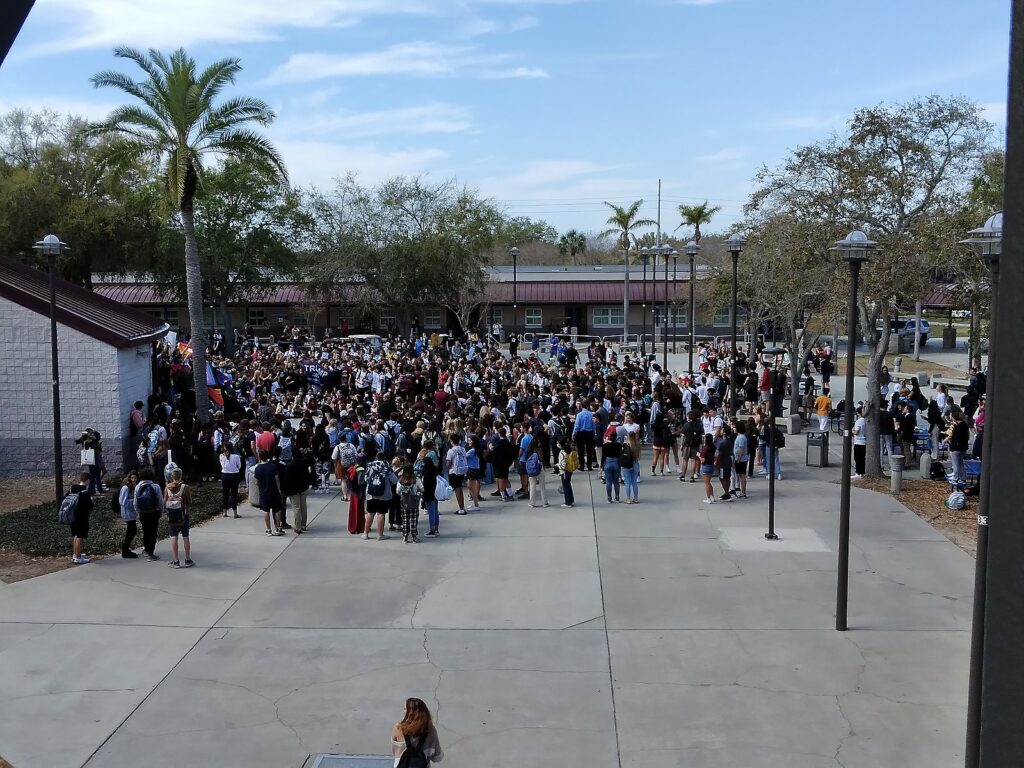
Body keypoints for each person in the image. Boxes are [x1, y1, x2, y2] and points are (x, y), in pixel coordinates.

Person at [391, 697, 444, 766]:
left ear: (409, 713)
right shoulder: (431, 730)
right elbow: (437, 758)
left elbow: (394, 751)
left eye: (404, 709)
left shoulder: (398, 728)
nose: (403, 711)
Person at [364, 447, 399, 540]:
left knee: (370, 513)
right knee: (381, 514)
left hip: (371, 493)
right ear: (384, 458)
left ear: (376, 458)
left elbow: (365, 479)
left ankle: (365, 534)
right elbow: (395, 480)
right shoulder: (387, 467)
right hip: (384, 494)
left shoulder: (370, 465)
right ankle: (380, 535)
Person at [163, 467, 193, 569]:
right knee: (185, 537)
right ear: (181, 476)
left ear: (172, 476)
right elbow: (189, 502)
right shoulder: (185, 487)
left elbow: (164, 502)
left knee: (173, 537)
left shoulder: (167, 488)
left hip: (172, 516)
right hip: (184, 515)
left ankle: (176, 561)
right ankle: (188, 560)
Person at [133, 468, 163, 560]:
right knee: (153, 532)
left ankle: (146, 549)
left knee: (145, 531)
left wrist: (138, 512)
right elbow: (160, 501)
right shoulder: (155, 486)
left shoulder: (138, 486)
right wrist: (161, 511)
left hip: (143, 513)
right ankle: (151, 553)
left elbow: (135, 502)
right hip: (153, 512)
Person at [282, 448, 313, 534]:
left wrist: (285, 490)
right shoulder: (304, 463)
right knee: (303, 506)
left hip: (293, 489)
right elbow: (311, 465)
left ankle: (298, 526)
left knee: (296, 508)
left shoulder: (289, 466)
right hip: (303, 487)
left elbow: (286, 479)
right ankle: (303, 525)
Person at [254, 452, 286, 536]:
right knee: (277, 510)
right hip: (274, 491)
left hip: (264, 492)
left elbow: (257, 482)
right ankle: (278, 528)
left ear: (260, 457)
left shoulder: (257, 468)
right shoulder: (273, 466)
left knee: (266, 510)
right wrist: (279, 490)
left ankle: (268, 529)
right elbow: (277, 479)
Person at [68, 471, 94, 564]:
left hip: (72, 516)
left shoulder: (72, 488)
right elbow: (90, 506)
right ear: (87, 481)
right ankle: (78, 558)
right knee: (80, 536)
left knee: (75, 535)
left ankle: (76, 554)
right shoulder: (85, 492)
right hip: (81, 517)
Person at [445, 435, 469, 515]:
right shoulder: (462, 449)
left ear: (452, 441)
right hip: (462, 470)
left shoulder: (451, 451)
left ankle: (461, 508)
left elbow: (448, 464)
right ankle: (462, 506)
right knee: (460, 489)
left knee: (457, 490)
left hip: (454, 471)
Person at [118, 471, 140, 558]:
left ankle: (126, 548)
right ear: (129, 478)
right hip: (127, 512)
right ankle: (125, 548)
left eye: (135, 478)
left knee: (131, 530)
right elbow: (123, 501)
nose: (134, 480)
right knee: (132, 530)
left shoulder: (134, 487)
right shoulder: (126, 488)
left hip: (132, 512)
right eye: (132, 478)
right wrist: (134, 500)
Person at [397, 465, 421, 543]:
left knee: (405, 519)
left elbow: (397, 491)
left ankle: (405, 536)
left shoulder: (401, 479)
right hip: (414, 501)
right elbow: (422, 488)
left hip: (404, 502)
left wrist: (402, 495)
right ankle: (414, 537)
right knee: (413, 519)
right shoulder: (416, 478)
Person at [219, 442, 243, 518]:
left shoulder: (221, 456)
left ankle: (225, 512)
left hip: (225, 475)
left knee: (225, 494)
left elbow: (222, 465)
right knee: (234, 494)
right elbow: (239, 466)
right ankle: (235, 513)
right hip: (234, 475)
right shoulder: (236, 456)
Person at [601, 428, 622, 503]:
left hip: (608, 462)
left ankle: (609, 498)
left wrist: (601, 466)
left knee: (608, 482)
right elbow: (620, 454)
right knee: (616, 482)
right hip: (616, 462)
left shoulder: (605, 446)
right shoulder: (619, 445)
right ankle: (617, 497)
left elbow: (603, 456)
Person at [948, 410, 970, 484]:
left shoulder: (958, 427)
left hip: (956, 447)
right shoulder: (964, 425)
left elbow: (956, 437)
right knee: (961, 463)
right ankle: (962, 478)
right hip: (963, 447)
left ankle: (956, 478)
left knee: (956, 464)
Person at [557, 437, 577, 508]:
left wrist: (558, 466)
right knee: (568, 485)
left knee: (565, 486)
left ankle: (568, 502)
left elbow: (562, 464)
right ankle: (571, 500)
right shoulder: (569, 450)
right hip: (569, 470)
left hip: (564, 471)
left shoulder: (562, 453)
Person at [620, 431, 640, 504]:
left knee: (627, 482)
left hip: (627, 464)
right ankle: (636, 498)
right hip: (635, 463)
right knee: (634, 482)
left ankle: (628, 498)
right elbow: (638, 455)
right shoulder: (637, 444)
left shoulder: (626, 444)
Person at [699, 434, 717, 504]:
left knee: (707, 483)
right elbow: (715, 456)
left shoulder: (705, 449)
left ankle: (708, 498)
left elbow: (703, 460)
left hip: (706, 466)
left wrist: (698, 455)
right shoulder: (713, 447)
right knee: (709, 482)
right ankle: (712, 496)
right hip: (711, 465)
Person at [732, 421, 749, 498]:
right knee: (740, 475)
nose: (733, 428)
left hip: (741, 459)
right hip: (741, 458)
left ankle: (743, 491)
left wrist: (738, 459)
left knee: (742, 475)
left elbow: (741, 449)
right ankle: (742, 491)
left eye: (735, 427)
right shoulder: (740, 436)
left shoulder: (741, 437)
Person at [852, 406, 867, 478]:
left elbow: (856, 432)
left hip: (858, 441)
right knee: (862, 458)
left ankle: (858, 472)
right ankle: (862, 472)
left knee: (857, 458)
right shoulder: (866, 420)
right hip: (865, 441)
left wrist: (852, 431)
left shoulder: (858, 421)